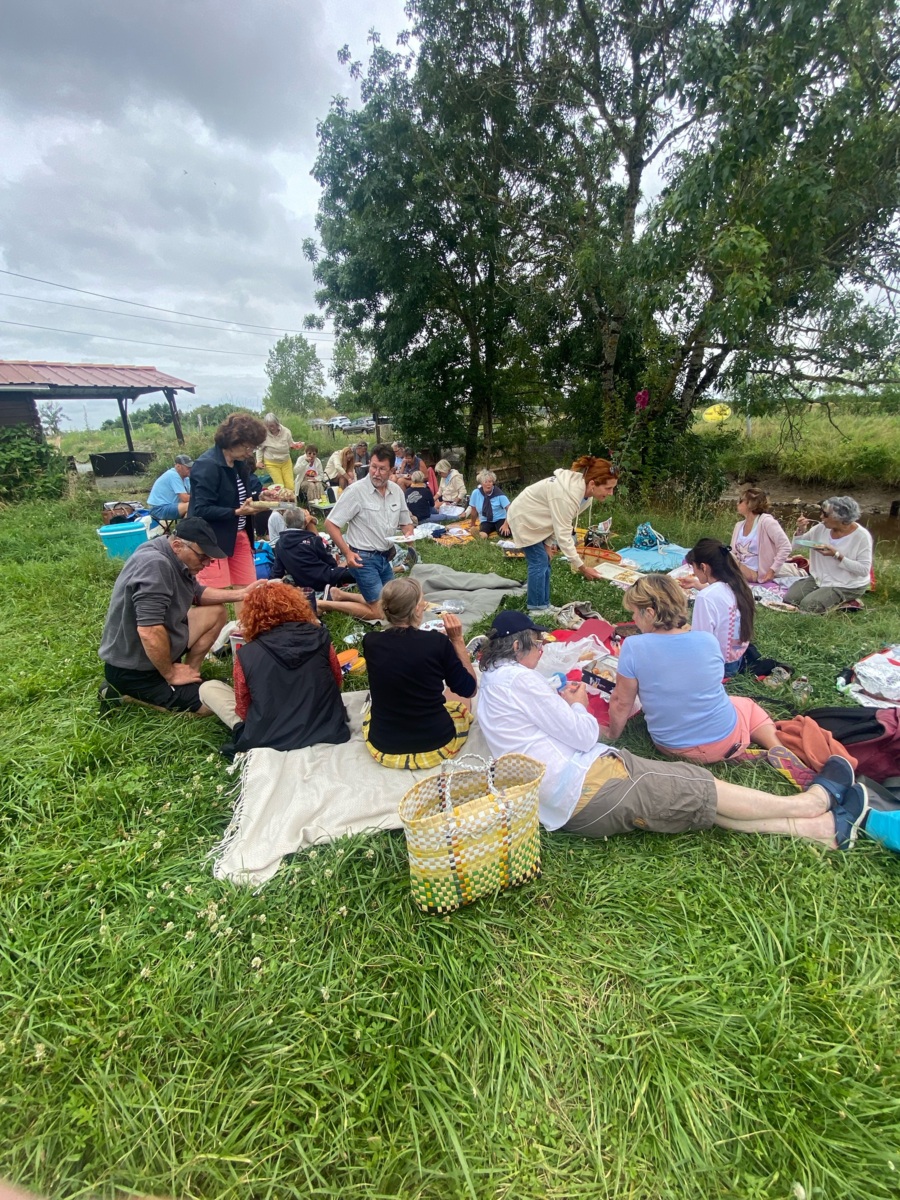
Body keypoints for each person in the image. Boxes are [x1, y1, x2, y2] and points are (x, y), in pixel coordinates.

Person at [476, 610, 867, 849]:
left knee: (695, 797)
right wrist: (577, 704)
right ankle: (809, 804)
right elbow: (583, 734)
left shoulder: (493, 677)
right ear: (517, 648)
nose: (543, 648)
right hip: (582, 790)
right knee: (697, 786)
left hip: (579, 781)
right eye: (538, 642)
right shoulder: (519, 680)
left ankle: (819, 829)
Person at [607, 575, 814, 787]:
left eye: (634, 612)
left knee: (737, 705)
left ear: (650, 613)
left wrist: (612, 734)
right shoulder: (707, 640)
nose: (633, 619)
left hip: (672, 746)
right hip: (724, 737)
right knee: (746, 705)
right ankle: (775, 747)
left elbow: (621, 701)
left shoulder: (633, 646)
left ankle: (738, 752)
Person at [98, 517, 253, 715]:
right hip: (134, 668)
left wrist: (242, 594)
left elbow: (197, 593)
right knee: (210, 707)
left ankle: (189, 675)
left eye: (211, 558)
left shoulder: (171, 552)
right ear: (178, 545)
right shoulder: (155, 564)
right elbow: (149, 630)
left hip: (156, 648)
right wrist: (169, 673)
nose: (207, 563)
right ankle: (123, 693)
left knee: (216, 612)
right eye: (203, 557)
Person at [199, 581, 350, 752]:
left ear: (251, 616)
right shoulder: (321, 638)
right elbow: (337, 680)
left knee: (208, 688)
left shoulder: (247, 654)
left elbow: (243, 709)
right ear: (298, 606)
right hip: (325, 727)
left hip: (270, 738)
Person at [361, 578, 477, 768]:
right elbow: (470, 689)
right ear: (416, 609)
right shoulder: (437, 643)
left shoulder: (370, 641)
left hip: (385, 742)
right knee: (458, 697)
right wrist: (457, 641)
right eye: (422, 601)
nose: (424, 605)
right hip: (436, 740)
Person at [506, 455, 616, 614]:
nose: (611, 493)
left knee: (545, 560)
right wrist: (582, 567)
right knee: (539, 561)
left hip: (540, 518)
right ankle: (536, 608)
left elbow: (558, 520)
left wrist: (548, 544)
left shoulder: (585, 497)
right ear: (592, 484)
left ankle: (543, 604)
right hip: (524, 517)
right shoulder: (567, 495)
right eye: (608, 488)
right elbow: (563, 534)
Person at [322, 444, 414, 621]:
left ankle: (339, 594)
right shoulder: (356, 491)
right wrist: (347, 553)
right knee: (380, 613)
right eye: (373, 467)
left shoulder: (396, 491)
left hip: (386, 557)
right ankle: (324, 604)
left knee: (393, 604)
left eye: (382, 469)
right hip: (362, 558)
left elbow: (406, 523)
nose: (376, 473)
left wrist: (410, 537)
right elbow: (330, 523)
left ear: (392, 470)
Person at [188, 412, 267, 613]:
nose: (250, 453)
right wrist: (236, 512)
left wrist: (260, 499)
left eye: (253, 448)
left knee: (248, 591)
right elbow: (201, 509)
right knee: (214, 596)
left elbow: (239, 497)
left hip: (239, 534)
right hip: (212, 539)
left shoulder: (240, 465)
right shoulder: (207, 465)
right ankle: (213, 632)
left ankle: (245, 629)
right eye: (247, 447)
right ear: (233, 441)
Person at [786, 496, 874, 612]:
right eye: (821, 512)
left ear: (841, 517)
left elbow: (863, 570)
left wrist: (837, 555)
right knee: (790, 599)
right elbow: (796, 546)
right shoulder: (820, 528)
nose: (821, 517)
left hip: (846, 584)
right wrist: (801, 530)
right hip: (819, 578)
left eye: (825, 514)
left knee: (809, 606)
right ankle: (827, 597)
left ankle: (849, 602)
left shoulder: (861, 536)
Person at [683, 538, 755, 676]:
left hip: (717, 668)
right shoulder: (740, 587)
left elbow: (700, 643)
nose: (694, 572)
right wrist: (697, 584)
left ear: (703, 567)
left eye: (693, 567)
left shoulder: (706, 597)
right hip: (736, 659)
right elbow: (720, 597)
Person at [272, 507, 356, 593]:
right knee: (358, 572)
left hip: (303, 584)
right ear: (305, 523)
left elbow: (277, 572)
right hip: (325, 579)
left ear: (285, 524)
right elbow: (330, 562)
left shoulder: (279, 544)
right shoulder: (313, 540)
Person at [730, 487, 792, 583]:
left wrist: (772, 570)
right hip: (740, 568)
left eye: (741, 501)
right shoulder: (739, 525)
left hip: (756, 573)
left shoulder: (767, 522)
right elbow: (733, 552)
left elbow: (785, 547)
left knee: (721, 556)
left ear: (751, 504)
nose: (737, 503)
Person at [255, 413, 302, 490]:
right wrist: (259, 461)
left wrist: (295, 445)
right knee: (280, 486)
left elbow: (291, 443)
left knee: (290, 486)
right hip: (271, 463)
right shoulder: (263, 434)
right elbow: (259, 449)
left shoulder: (286, 432)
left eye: (272, 426)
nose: (270, 428)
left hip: (285, 461)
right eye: (267, 426)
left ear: (277, 424)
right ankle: (281, 498)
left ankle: (292, 498)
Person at [465, 470, 511, 537]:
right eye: (485, 482)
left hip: (500, 518)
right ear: (481, 483)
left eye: (490, 482)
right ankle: (480, 536)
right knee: (484, 532)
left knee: (505, 534)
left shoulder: (499, 494)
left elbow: (510, 509)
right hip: (485, 520)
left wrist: (506, 524)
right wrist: (472, 524)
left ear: (493, 483)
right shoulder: (476, 493)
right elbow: (473, 510)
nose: (488, 484)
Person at [147, 454, 192, 521]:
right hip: (158, 509)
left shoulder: (186, 478)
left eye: (191, 467)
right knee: (191, 506)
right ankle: (184, 527)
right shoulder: (173, 475)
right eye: (188, 468)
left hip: (170, 506)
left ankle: (187, 526)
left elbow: (191, 494)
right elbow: (185, 498)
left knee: (195, 505)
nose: (190, 469)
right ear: (178, 466)